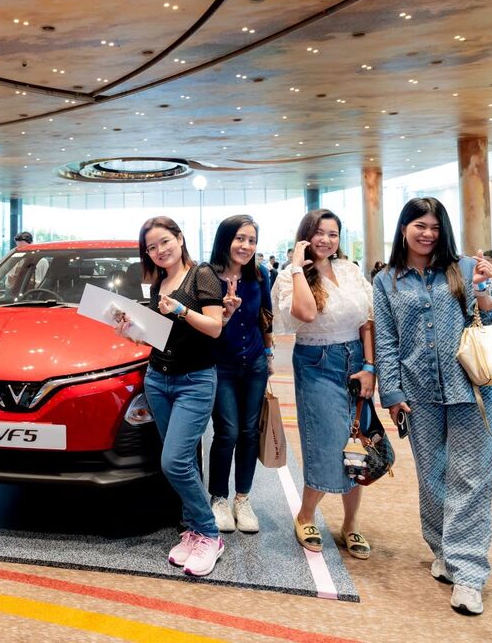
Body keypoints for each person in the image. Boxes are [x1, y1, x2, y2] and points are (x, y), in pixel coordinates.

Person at [373, 197, 492, 616]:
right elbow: (386, 339)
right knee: (431, 476)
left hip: (473, 390)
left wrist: (482, 289)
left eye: (435, 226)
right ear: (404, 228)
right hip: (418, 392)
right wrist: (392, 393)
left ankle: (469, 573)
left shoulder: (465, 267)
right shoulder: (387, 280)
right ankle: (444, 549)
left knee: (471, 477)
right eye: (419, 225)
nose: (428, 234)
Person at [118, 216, 224, 577]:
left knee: (174, 462)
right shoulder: (159, 283)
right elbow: (161, 336)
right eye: (151, 247)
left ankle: (209, 534)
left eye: (164, 241)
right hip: (158, 380)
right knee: (183, 461)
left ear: (179, 238)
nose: (159, 250)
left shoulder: (201, 274)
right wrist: (133, 332)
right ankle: (193, 530)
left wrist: (180, 309)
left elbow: (215, 327)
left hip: (195, 381)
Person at [276, 209, 375, 561]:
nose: (326, 240)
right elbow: (305, 313)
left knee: (357, 442)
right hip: (317, 362)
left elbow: (367, 320)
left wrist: (370, 366)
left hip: (355, 360)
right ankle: (306, 515)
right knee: (326, 443)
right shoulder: (290, 276)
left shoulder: (350, 270)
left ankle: (350, 523)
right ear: (305, 236)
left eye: (333, 234)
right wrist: (297, 266)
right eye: (319, 233)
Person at [206, 215, 274, 535]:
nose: (246, 246)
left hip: (255, 364)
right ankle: (218, 498)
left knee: (249, 432)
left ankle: (242, 499)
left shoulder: (259, 274)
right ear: (226, 240)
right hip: (221, 366)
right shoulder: (207, 276)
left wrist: (269, 354)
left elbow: (265, 315)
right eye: (240, 239)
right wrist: (225, 310)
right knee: (228, 432)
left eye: (251, 240)